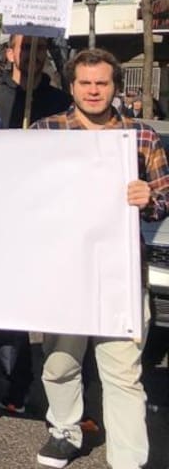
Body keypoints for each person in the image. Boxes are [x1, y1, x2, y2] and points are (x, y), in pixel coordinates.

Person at [30, 48, 167, 469]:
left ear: (114, 86)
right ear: (71, 87)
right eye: (85, 83)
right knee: (59, 363)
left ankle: (129, 459)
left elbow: (164, 196)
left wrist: (150, 200)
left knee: (124, 373)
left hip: (120, 275)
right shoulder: (43, 133)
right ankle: (66, 431)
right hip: (63, 271)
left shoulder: (140, 136)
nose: (94, 90)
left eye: (102, 83)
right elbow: (19, 192)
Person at [0, 34, 73, 415]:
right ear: (10, 52)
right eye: (24, 48)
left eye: (39, 49)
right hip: (1, 212)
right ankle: (15, 381)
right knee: (7, 307)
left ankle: (64, 387)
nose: (31, 56)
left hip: (49, 210)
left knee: (54, 299)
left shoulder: (62, 101)